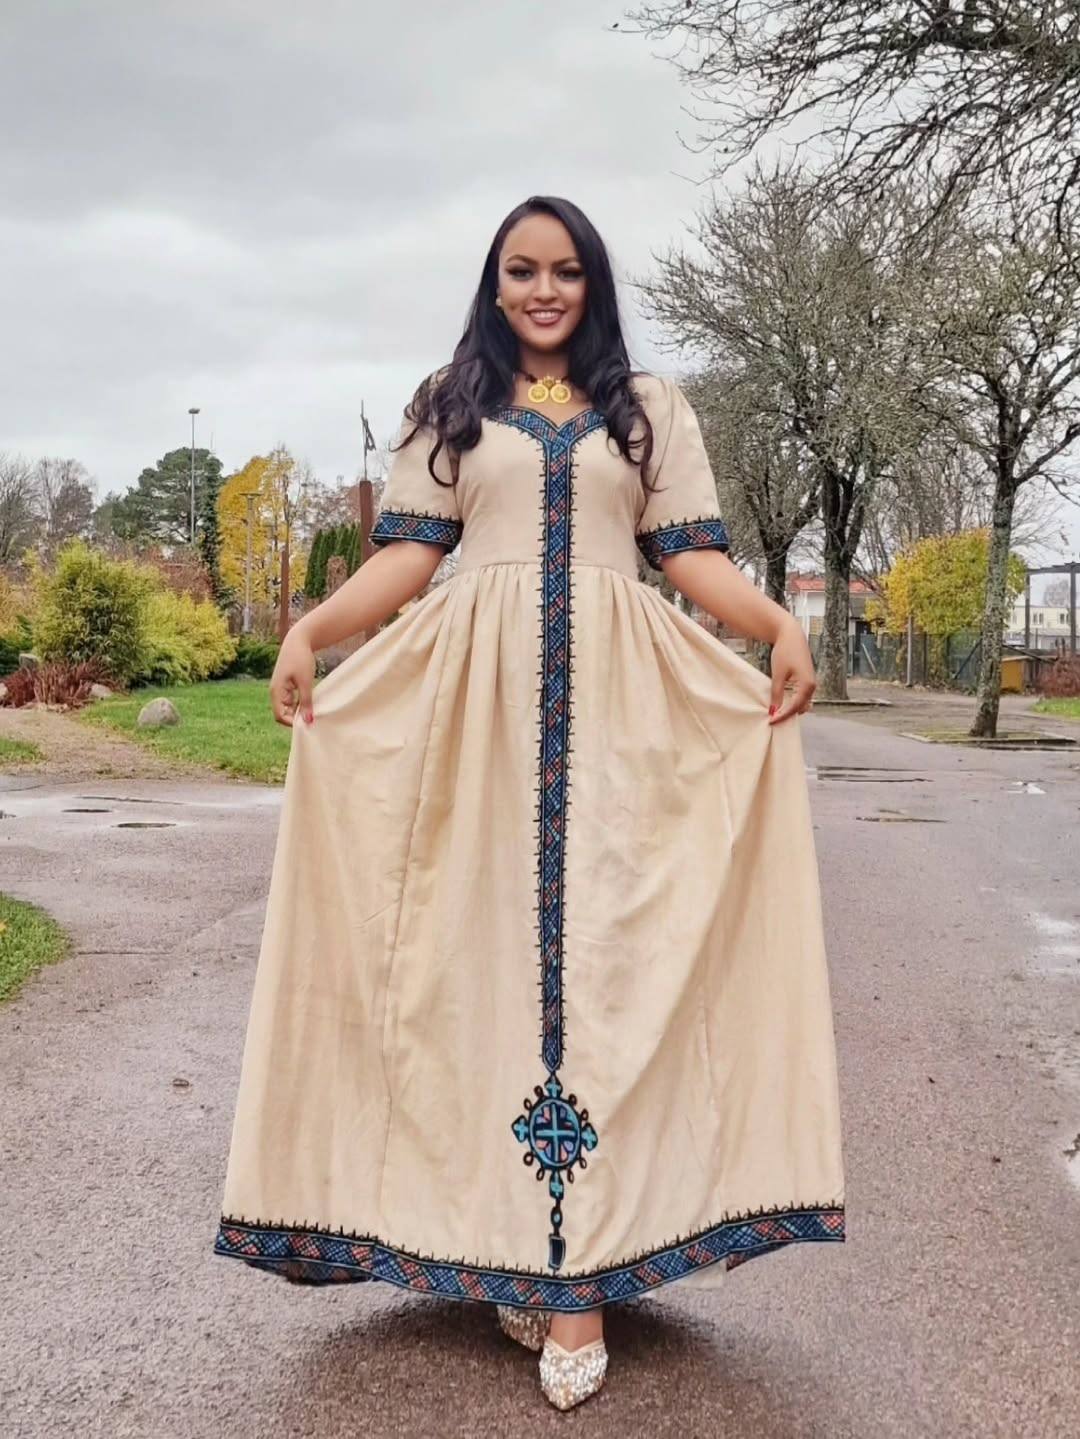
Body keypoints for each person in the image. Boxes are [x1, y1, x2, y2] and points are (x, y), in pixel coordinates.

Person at [213, 194, 845, 1412]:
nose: (543, 289)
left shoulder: (648, 408)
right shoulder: (451, 402)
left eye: (564, 271)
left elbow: (687, 555)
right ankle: (517, 1236)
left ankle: (578, 1279)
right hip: (477, 722)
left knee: (614, 971)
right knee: (480, 970)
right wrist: (313, 628)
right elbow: (409, 556)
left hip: (624, 725)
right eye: (521, 270)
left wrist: (775, 624)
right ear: (495, 283)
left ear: (592, 282)